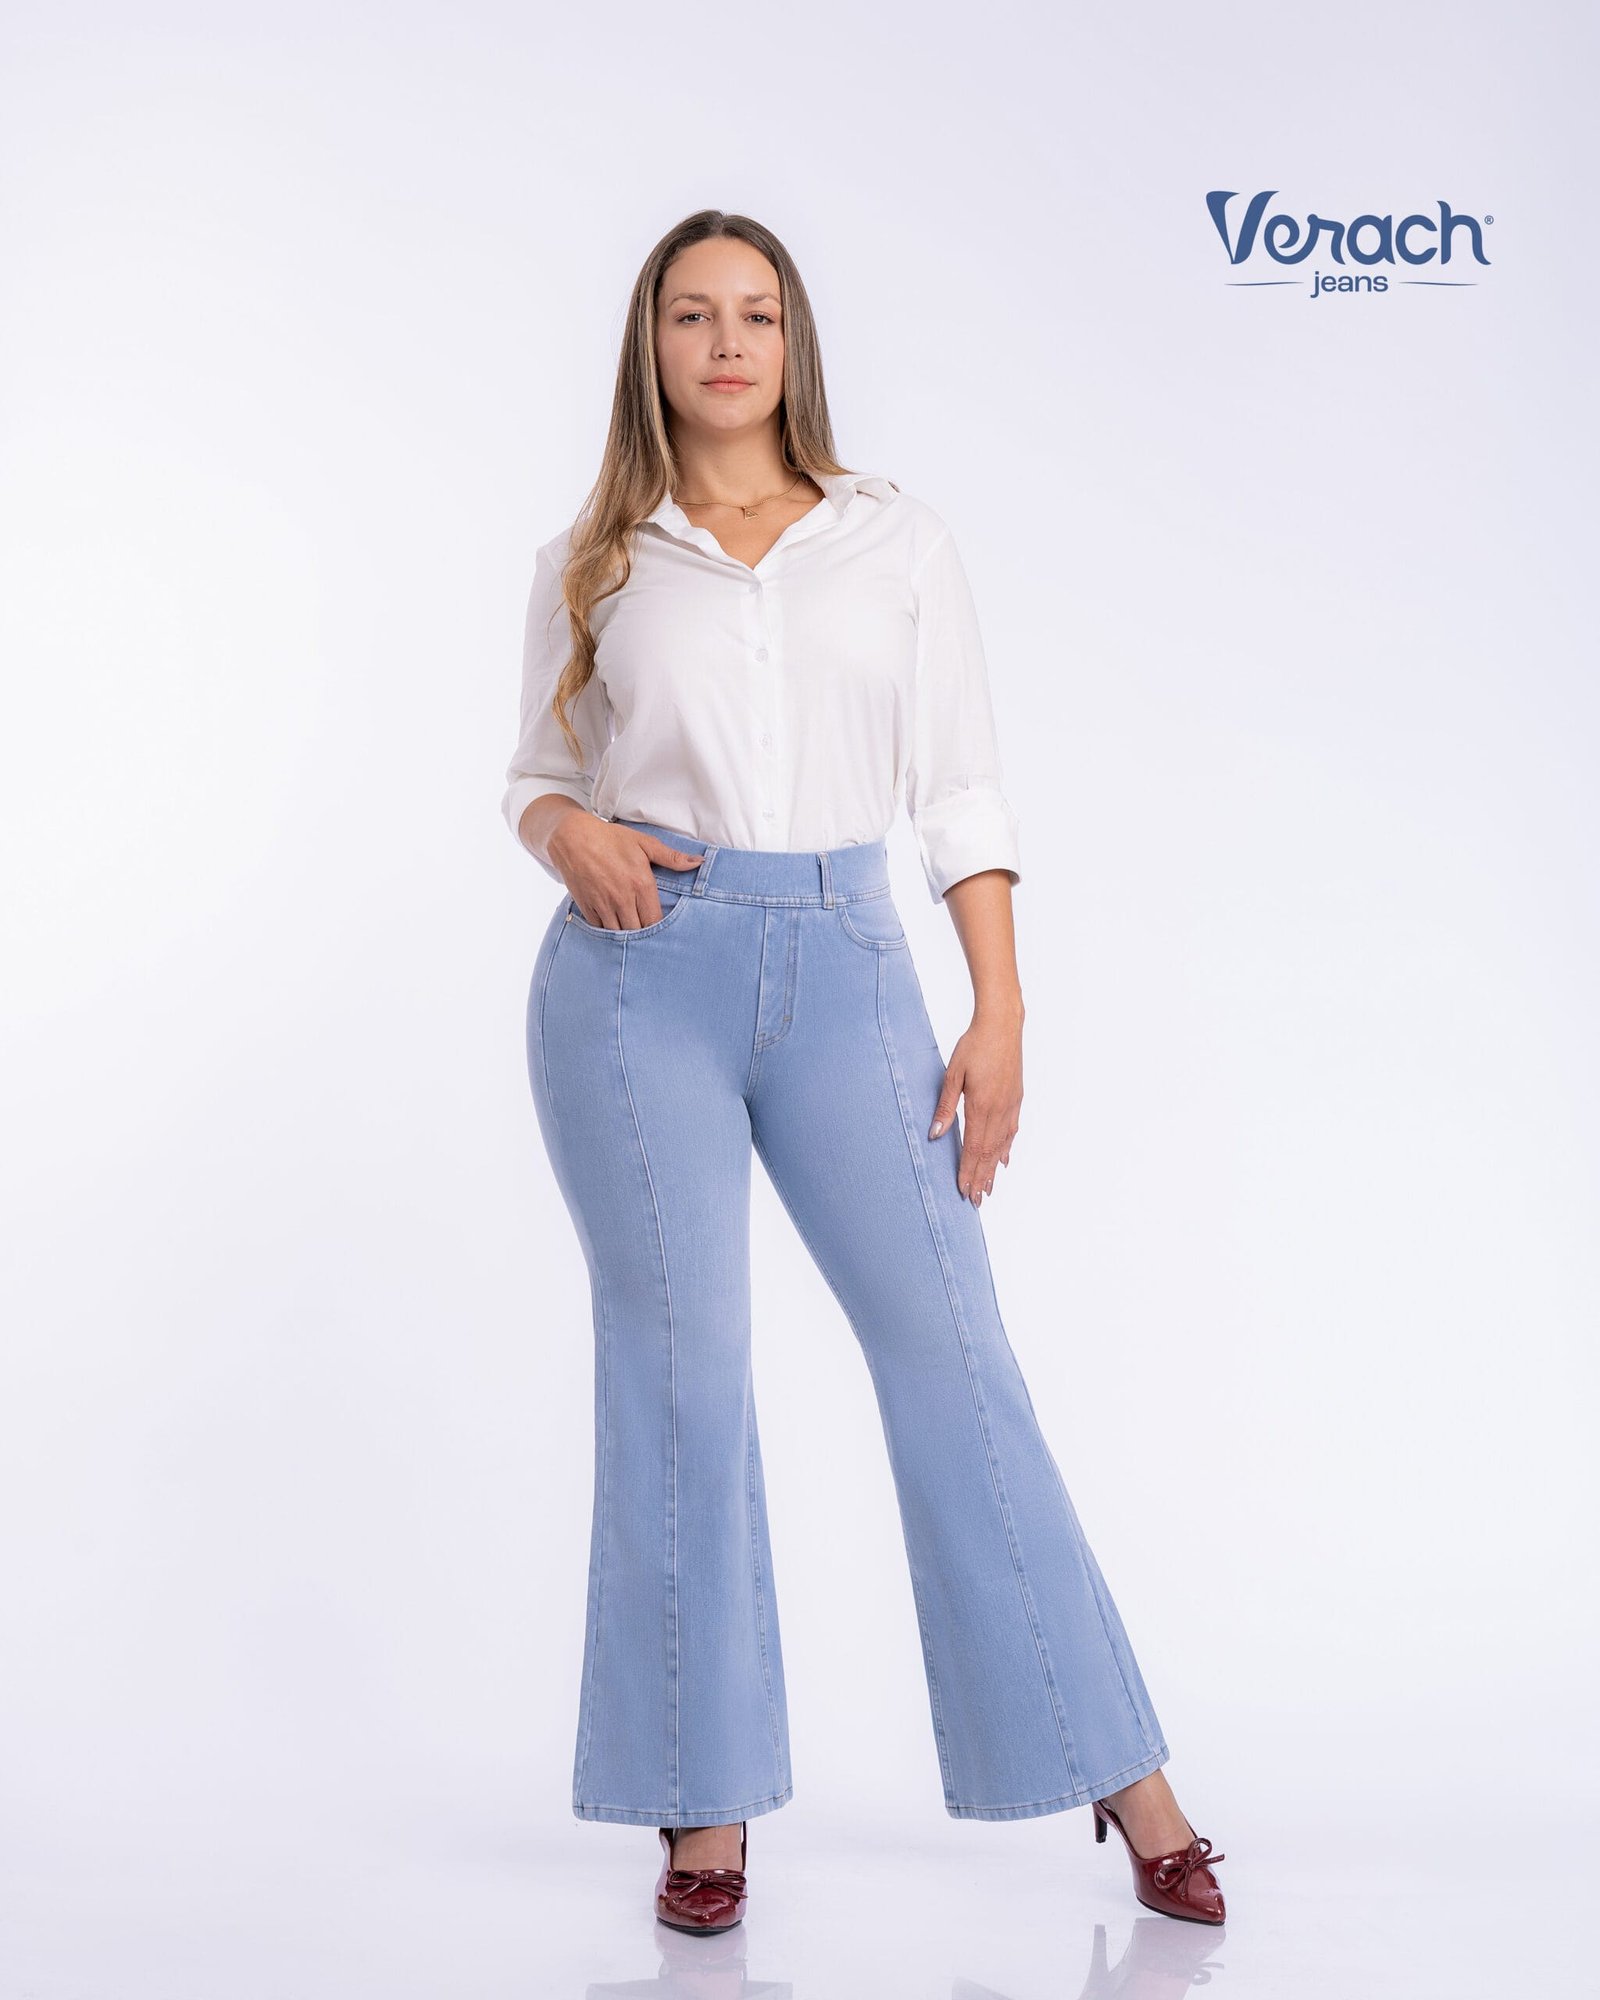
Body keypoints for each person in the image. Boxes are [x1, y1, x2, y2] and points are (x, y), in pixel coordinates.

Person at [501, 209, 1228, 1933]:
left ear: (793, 341)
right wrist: (562, 836)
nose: (726, 343)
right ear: (651, 343)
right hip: (638, 978)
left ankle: (1126, 1776)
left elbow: (960, 790)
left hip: (847, 964)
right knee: (682, 1375)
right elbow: (536, 774)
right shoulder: (595, 556)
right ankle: (701, 1808)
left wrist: (1000, 1010)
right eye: (693, 314)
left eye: (755, 314)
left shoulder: (894, 540)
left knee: (955, 1359)